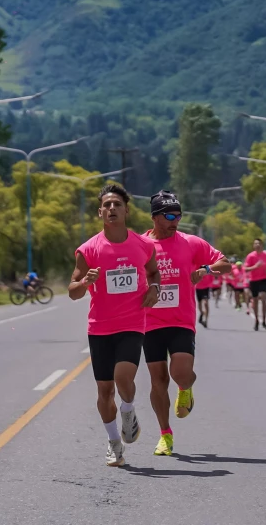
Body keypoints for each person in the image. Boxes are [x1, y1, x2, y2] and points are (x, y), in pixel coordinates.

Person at [69, 183, 161, 468]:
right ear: (100, 213)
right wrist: (86, 282)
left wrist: (155, 287)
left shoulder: (144, 245)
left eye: (116, 205)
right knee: (104, 391)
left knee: (123, 379)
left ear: (126, 211)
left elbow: (154, 272)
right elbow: (72, 290)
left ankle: (129, 409)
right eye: (106, 205)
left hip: (133, 323)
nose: (111, 209)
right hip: (100, 328)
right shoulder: (88, 250)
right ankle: (113, 444)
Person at [142, 190, 233, 457]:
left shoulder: (191, 242)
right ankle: (165, 435)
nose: (175, 220)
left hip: (181, 321)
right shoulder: (141, 244)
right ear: (154, 217)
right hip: (150, 322)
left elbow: (225, 263)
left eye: (178, 215)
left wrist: (204, 270)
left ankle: (186, 387)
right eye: (169, 215)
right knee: (157, 380)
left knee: (179, 373)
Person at [243, 238, 266, 331]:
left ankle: (264, 320)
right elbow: (246, 269)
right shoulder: (250, 256)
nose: (257, 245)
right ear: (253, 246)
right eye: (255, 243)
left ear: (262, 245)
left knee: (263, 297)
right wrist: (255, 266)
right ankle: (256, 320)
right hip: (253, 280)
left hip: (263, 279)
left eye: (259, 243)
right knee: (255, 300)